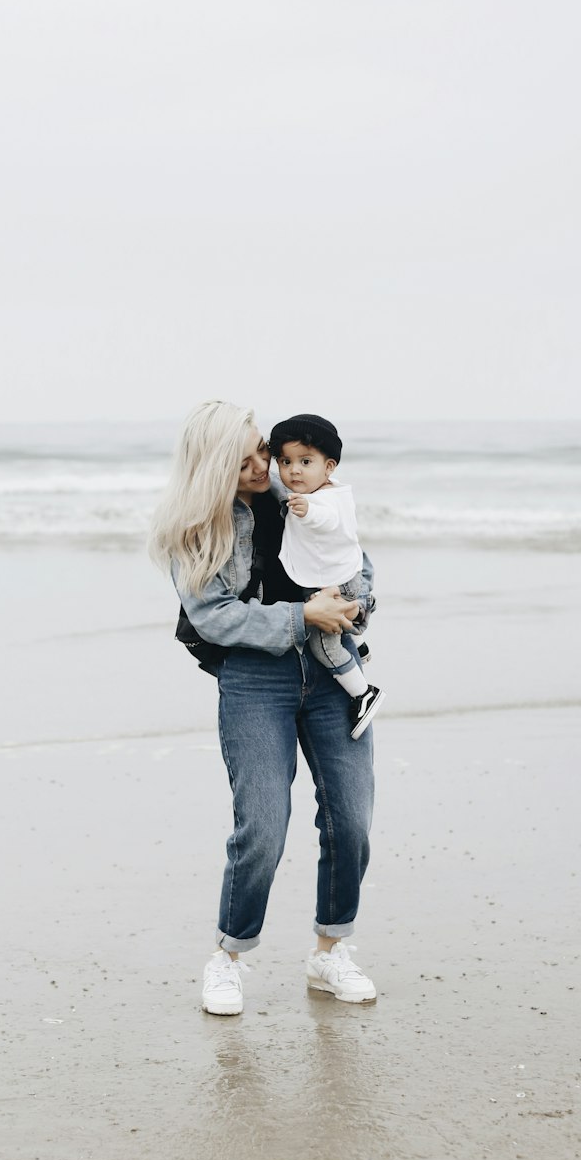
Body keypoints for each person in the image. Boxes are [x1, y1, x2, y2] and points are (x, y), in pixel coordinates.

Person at [149, 400, 379, 1016]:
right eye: (244, 458)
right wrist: (301, 614)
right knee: (262, 828)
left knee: (351, 820)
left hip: (333, 671)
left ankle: (330, 951)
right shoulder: (195, 528)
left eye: (264, 451)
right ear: (212, 466)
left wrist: (355, 605)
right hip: (255, 680)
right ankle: (227, 958)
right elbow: (212, 615)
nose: (264, 466)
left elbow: (354, 557)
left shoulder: (301, 492)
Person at [268, 413, 385, 740]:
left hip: (336, 582)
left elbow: (328, 519)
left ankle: (362, 693)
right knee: (343, 614)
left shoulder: (323, 502)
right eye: (285, 461)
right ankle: (359, 646)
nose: (293, 470)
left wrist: (308, 511)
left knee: (323, 644)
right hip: (341, 573)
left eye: (305, 461)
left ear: (329, 466)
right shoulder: (325, 488)